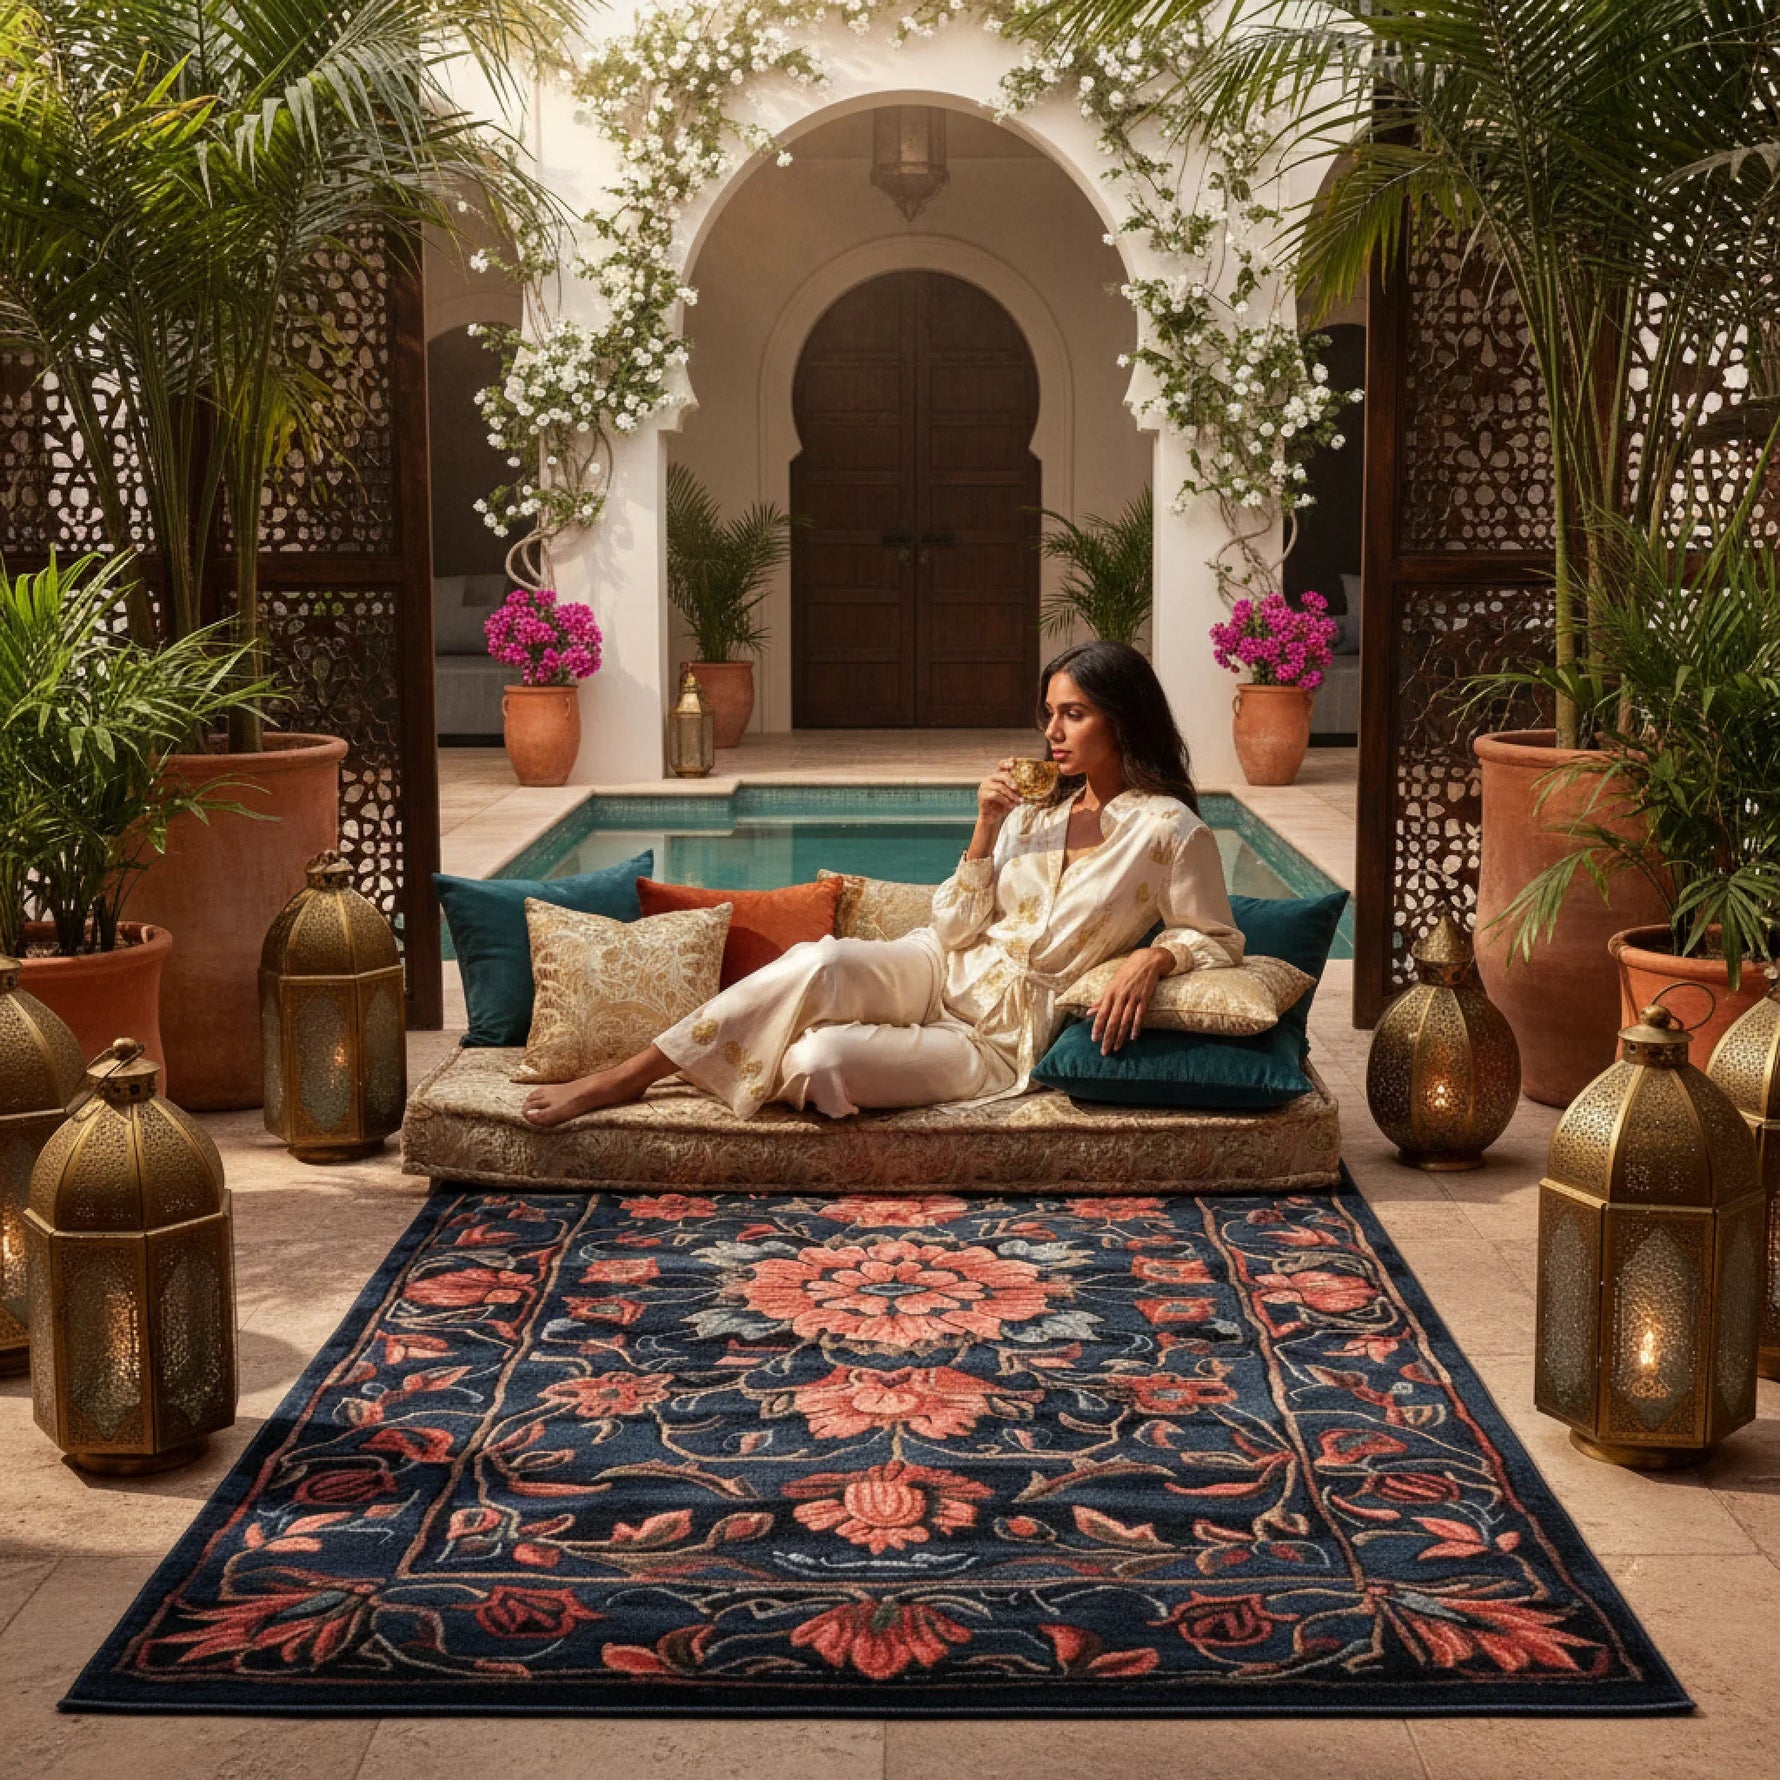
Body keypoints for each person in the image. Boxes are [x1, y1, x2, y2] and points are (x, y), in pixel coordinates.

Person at [520, 639, 1244, 1127]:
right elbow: (959, 928)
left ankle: (779, 1043)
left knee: (819, 1061)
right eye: (1048, 714)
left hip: (1002, 1035)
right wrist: (986, 829)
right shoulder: (1034, 812)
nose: (1052, 732)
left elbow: (1217, 937)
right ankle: (630, 1076)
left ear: (1124, 723)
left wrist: (1156, 957)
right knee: (822, 958)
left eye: (1073, 715)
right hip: (939, 966)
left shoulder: (1169, 832)